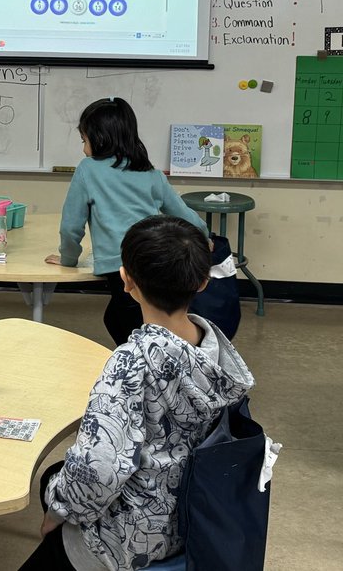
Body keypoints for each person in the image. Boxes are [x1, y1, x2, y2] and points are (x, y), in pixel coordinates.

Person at [21, 215, 255, 571]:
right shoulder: (218, 354)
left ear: (126, 280)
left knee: (57, 489)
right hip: (195, 521)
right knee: (56, 473)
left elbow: (99, 468)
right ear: (204, 282)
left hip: (127, 539)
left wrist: (57, 513)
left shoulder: (130, 364)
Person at [47, 98, 207, 345]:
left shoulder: (88, 169)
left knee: (126, 322)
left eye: (84, 140)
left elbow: (71, 226)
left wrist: (68, 260)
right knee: (144, 319)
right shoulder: (150, 173)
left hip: (122, 265)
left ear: (100, 138)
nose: (83, 149)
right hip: (158, 259)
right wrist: (204, 240)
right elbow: (187, 217)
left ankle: (149, 369)